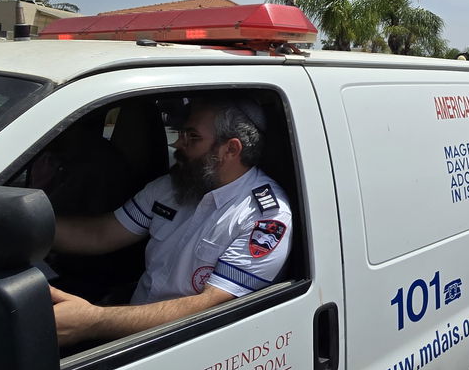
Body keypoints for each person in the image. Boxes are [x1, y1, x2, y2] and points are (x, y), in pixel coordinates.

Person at [47, 96, 293, 346]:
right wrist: (33, 230)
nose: (177, 143)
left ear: (231, 149)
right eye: (181, 134)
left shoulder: (264, 217)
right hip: (127, 329)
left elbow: (210, 306)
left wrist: (94, 321)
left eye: (192, 137)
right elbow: (100, 234)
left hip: (181, 345)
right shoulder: (172, 187)